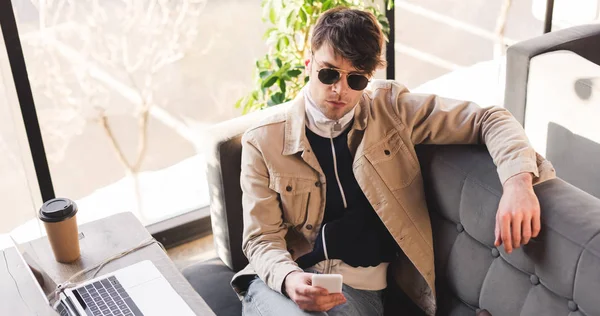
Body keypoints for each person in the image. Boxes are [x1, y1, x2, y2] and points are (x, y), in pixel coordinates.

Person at [231, 6, 555, 316]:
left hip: (357, 288)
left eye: (355, 79)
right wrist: (288, 280)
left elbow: (490, 119)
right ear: (308, 65)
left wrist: (518, 184)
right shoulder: (263, 141)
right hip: (281, 279)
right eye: (328, 73)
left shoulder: (392, 110)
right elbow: (262, 239)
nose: (339, 90)